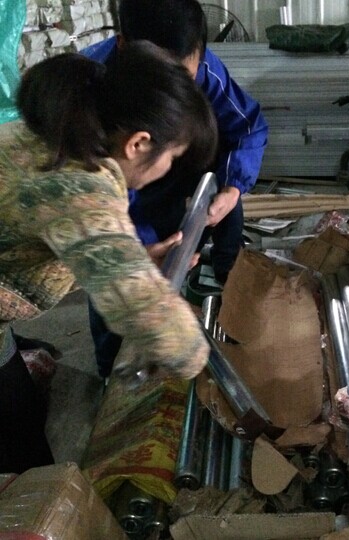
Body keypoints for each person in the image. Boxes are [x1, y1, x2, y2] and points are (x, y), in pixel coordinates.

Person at [0, 40, 218, 473]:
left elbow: (63, 237)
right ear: (139, 143)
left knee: (19, 419)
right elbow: (143, 310)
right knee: (20, 455)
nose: (167, 171)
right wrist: (202, 359)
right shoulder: (78, 182)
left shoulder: (55, 139)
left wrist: (138, 259)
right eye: (172, 158)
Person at [84, 0, 269, 379]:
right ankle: (111, 376)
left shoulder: (203, 68)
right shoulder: (88, 92)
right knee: (122, 290)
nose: (178, 91)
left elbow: (247, 128)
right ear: (124, 46)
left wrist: (233, 187)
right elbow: (100, 252)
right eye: (166, 76)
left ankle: (228, 302)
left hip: (174, 180)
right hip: (116, 197)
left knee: (184, 260)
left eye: (187, 75)